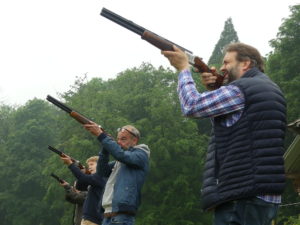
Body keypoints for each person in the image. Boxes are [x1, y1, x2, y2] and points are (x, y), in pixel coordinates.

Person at [162, 43, 286, 225]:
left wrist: (183, 69)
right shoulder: (269, 89)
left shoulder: (240, 90)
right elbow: (234, 128)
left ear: (245, 64)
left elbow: (191, 106)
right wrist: (215, 91)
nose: (221, 68)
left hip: (242, 194)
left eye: (227, 62)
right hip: (263, 194)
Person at [83, 124, 150, 225]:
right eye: (118, 139)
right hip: (107, 215)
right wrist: (105, 148)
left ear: (135, 140)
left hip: (121, 215)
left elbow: (120, 155)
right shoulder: (120, 162)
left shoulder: (141, 154)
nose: (119, 142)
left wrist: (102, 136)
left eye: (123, 139)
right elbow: (101, 171)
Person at [61, 155, 106, 225]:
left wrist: (70, 164)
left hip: (93, 220)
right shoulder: (97, 179)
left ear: (100, 165)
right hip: (90, 219)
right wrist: (83, 172)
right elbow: (80, 184)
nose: (90, 167)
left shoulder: (99, 177)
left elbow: (83, 178)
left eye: (92, 164)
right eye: (89, 165)